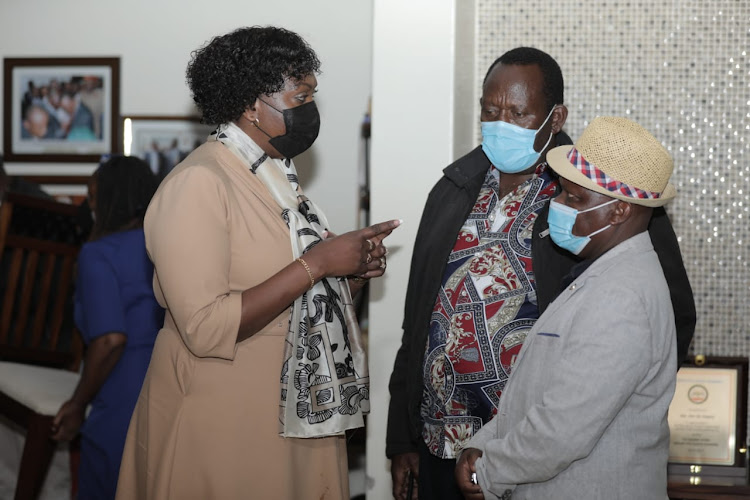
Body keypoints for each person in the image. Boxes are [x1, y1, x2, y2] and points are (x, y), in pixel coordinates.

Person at [386, 47, 695, 500]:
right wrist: (403, 438)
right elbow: (418, 321)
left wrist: (608, 425)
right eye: (490, 111)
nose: (500, 123)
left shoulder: (598, 199)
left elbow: (666, 319)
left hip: (534, 459)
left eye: (518, 112)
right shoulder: (454, 188)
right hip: (442, 442)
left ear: (554, 117)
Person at [115, 26, 400, 500]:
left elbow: (298, 296)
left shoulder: (276, 178)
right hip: (225, 413)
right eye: (299, 96)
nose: (310, 110)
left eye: (311, 95)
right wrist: (318, 264)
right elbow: (206, 328)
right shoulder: (198, 184)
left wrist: (347, 274)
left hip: (291, 404)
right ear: (251, 105)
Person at [455, 116, 679, 499]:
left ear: (619, 211)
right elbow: (542, 390)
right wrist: (485, 441)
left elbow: (562, 428)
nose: (556, 205)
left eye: (574, 199)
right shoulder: (603, 272)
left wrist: (487, 470)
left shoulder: (621, 297)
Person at [50, 156, 163, 500]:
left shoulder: (97, 254)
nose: (90, 207)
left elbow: (110, 339)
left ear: (111, 200)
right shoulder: (164, 245)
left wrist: (76, 403)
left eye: (93, 197)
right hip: (168, 389)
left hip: (121, 396)